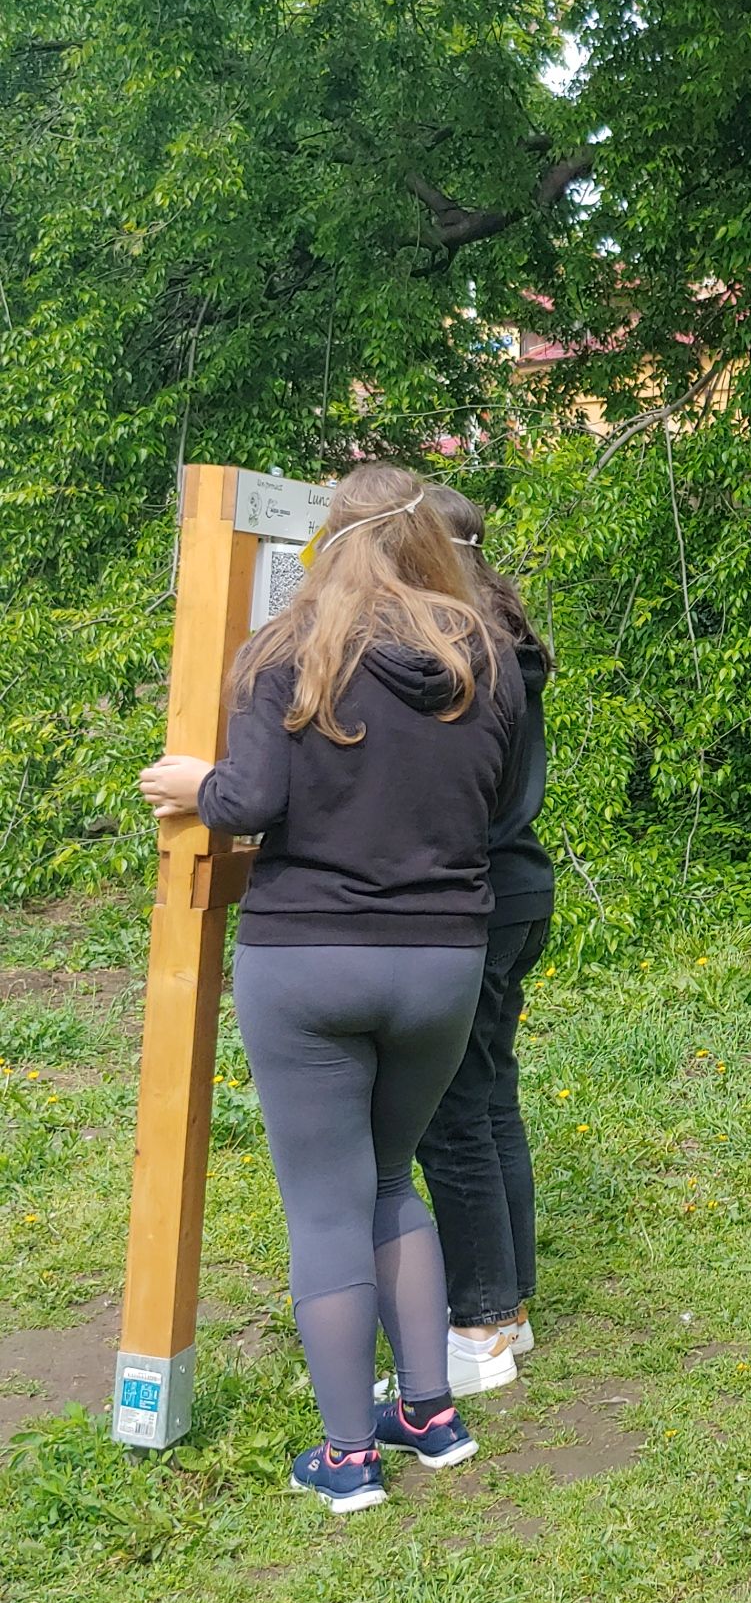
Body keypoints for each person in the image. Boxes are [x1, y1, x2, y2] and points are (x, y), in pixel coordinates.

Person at [137, 463, 523, 1513]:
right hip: (441, 960)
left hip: (308, 956)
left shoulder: (287, 650)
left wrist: (197, 786)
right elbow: (494, 800)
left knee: (325, 1207)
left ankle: (349, 1458)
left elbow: (251, 799)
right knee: (393, 1177)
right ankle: (430, 1415)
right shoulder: (484, 660)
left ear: (332, 541)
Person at [412, 485, 553, 1398]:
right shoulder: (506, 632)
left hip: (481, 893)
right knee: (492, 1096)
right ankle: (511, 1305)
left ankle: (481, 1324)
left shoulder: (457, 653)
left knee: (454, 1112)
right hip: (522, 886)